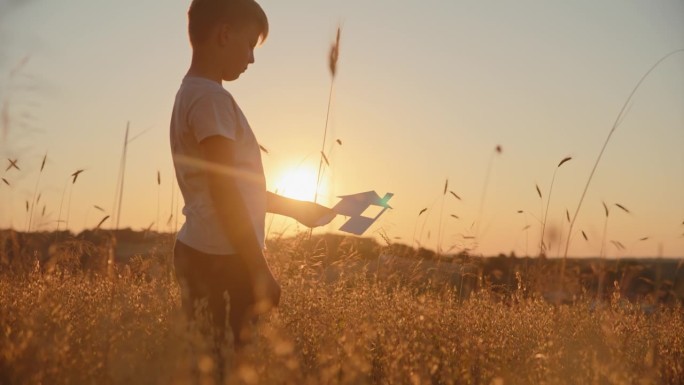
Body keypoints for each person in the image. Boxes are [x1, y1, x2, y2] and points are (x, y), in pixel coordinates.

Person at [169, 0, 335, 373]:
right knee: (225, 368)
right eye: (249, 46)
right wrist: (259, 269)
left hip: (202, 251)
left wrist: (295, 209)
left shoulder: (192, 94)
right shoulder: (212, 99)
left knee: (209, 364)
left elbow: (232, 187)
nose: (251, 60)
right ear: (225, 34)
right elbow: (225, 193)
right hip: (222, 261)